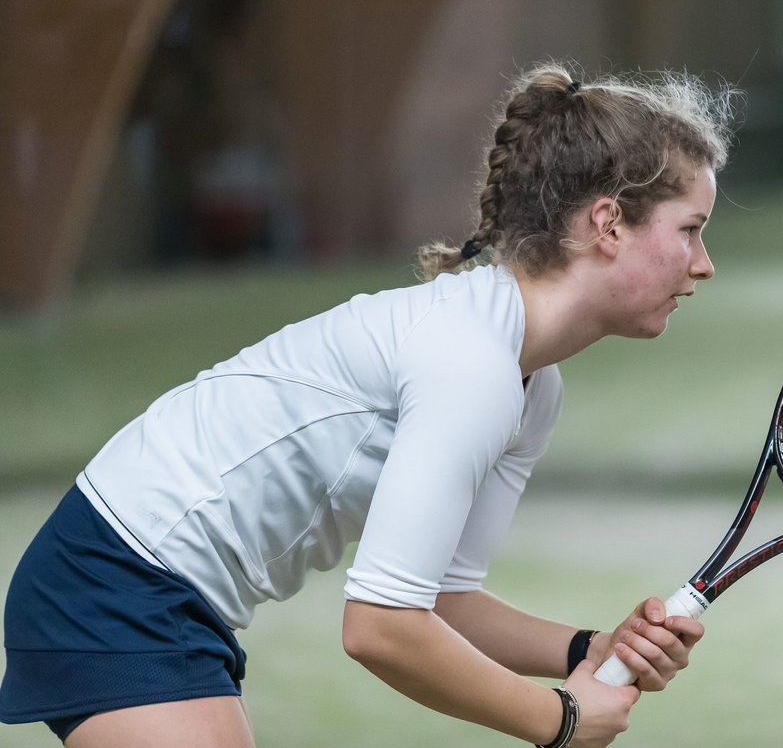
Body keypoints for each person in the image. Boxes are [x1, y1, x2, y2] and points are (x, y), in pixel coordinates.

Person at [0, 62, 736, 747]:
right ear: (608, 224)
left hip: (157, 595)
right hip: (112, 583)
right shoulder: (470, 365)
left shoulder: (529, 385)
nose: (702, 265)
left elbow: (441, 599)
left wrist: (586, 651)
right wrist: (562, 718)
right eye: (690, 231)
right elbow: (381, 628)